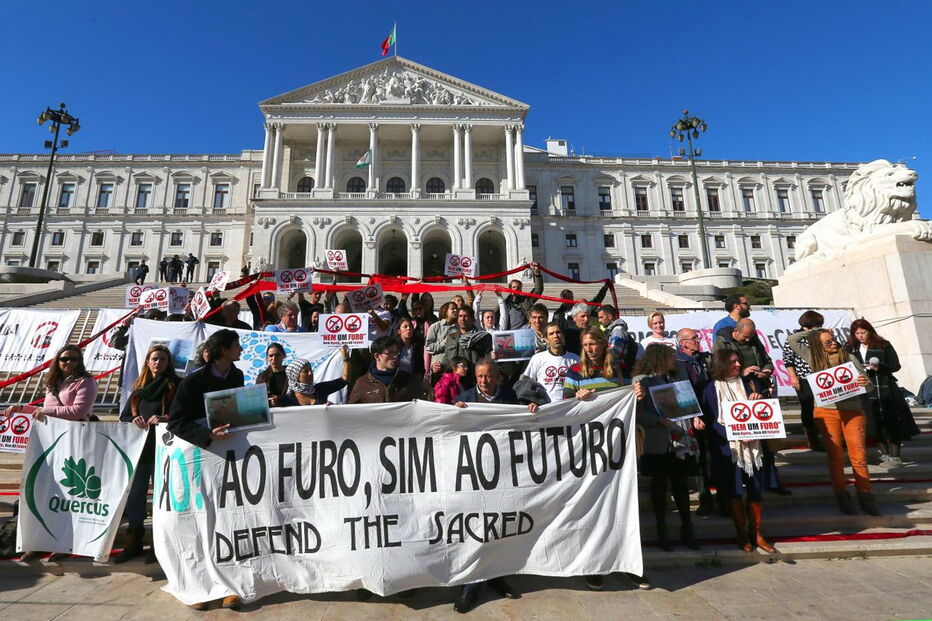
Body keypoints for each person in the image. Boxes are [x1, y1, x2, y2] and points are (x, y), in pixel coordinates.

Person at [562, 328, 650, 592]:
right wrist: (575, 399)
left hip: (618, 453)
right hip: (590, 452)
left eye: (594, 344)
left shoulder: (620, 370)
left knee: (624, 508)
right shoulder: (575, 373)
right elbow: (564, 409)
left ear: (603, 345)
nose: (590, 348)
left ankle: (629, 564)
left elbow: (631, 406)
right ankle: (595, 566)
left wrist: (638, 395)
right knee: (592, 509)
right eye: (586, 344)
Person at [166, 329, 244, 611]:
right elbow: (176, 422)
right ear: (222, 349)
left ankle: (228, 585)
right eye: (236, 346)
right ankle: (197, 585)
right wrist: (207, 436)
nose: (241, 351)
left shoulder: (236, 375)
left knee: (225, 522)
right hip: (197, 458)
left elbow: (234, 411)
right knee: (197, 524)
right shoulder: (193, 380)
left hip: (226, 458)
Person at [8, 345, 98, 563]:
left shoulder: (86, 382)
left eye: (74, 359)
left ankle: (65, 542)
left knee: (69, 495)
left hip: (74, 442)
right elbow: (43, 411)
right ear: (57, 361)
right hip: (49, 442)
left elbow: (77, 411)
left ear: (80, 361)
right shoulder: (52, 383)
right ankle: (39, 542)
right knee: (45, 493)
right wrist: (22, 408)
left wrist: (43, 411)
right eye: (65, 359)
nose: (69, 363)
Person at [450, 357, 524, 613]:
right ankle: (470, 583)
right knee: (475, 527)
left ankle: (495, 574)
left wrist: (534, 412)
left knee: (498, 526)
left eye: (489, 376)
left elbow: (520, 424)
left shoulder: (510, 396)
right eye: (480, 376)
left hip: (501, 473)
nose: (484, 381)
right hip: (473, 475)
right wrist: (455, 412)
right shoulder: (465, 396)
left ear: (498, 377)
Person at [788, 328, 879, 516]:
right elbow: (792, 340)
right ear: (817, 346)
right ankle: (842, 495)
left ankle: (865, 495)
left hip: (853, 411)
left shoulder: (850, 358)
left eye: (834, 339)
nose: (833, 343)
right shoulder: (813, 358)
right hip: (826, 412)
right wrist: (815, 331)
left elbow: (869, 386)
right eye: (827, 342)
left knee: (859, 455)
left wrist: (864, 383)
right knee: (835, 455)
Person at [700, 349, 776, 553]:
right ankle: (742, 534)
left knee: (756, 490)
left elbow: (766, 409)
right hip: (730, 449)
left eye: (738, 361)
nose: (737, 365)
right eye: (733, 362)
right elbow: (713, 421)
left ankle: (758, 534)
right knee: (734, 491)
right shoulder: (710, 389)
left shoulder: (750, 382)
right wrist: (735, 434)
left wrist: (758, 398)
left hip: (754, 448)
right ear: (722, 363)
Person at [113, 344, 180, 564]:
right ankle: (133, 542)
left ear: (168, 362)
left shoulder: (175, 386)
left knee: (162, 499)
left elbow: (183, 414)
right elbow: (123, 418)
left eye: (162, 359)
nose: (158, 363)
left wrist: (166, 419)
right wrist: (134, 419)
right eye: (154, 359)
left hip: (164, 450)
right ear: (147, 362)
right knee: (135, 498)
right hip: (140, 452)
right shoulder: (138, 391)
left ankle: (159, 545)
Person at [633, 344, 702, 553]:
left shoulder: (676, 378)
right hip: (657, 440)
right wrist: (657, 420)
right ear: (661, 358)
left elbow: (688, 403)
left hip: (679, 440)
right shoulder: (641, 380)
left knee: (681, 484)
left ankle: (687, 527)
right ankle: (662, 529)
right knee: (659, 485)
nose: (675, 360)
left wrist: (695, 416)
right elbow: (637, 412)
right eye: (671, 357)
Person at [846, 318, 919, 468]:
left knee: (892, 421)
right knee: (873, 422)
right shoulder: (851, 348)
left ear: (870, 331)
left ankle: (895, 456)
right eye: (857, 333)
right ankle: (884, 454)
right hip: (865, 390)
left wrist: (880, 367)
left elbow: (895, 365)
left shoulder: (883, 344)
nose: (860, 336)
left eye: (863, 332)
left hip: (885, 387)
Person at [673, 327, 716, 516]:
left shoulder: (702, 359)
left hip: (709, 414)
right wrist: (693, 416)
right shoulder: (678, 362)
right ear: (683, 343)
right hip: (690, 418)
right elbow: (681, 390)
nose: (698, 340)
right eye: (693, 338)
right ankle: (703, 496)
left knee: (708, 456)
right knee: (697, 460)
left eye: (697, 337)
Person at [783, 310, 827, 452]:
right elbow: (788, 359)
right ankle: (813, 440)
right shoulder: (795, 338)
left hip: (822, 377)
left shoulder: (821, 335)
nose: (819, 327)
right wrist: (793, 377)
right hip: (803, 378)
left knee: (824, 408)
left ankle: (827, 437)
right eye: (816, 325)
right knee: (808, 408)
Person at [348, 336, 432, 404]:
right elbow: (352, 412)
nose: (395, 356)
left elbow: (422, 406)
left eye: (396, 353)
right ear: (377, 356)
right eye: (390, 353)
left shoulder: (409, 380)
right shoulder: (362, 383)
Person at [521, 322, 579, 403]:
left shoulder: (575, 359)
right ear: (546, 339)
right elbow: (526, 383)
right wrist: (532, 402)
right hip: (545, 407)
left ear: (563, 336)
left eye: (558, 332)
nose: (556, 336)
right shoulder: (537, 358)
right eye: (551, 334)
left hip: (569, 406)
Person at [279, 347, 351, 407]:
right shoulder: (288, 399)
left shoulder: (320, 389)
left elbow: (344, 379)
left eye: (310, 370)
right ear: (295, 376)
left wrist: (346, 358)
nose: (310, 373)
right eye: (305, 371)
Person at [495, 262, 543, 330]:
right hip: (509, 334)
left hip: (523, 333)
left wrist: (537, 274)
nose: (516, 289)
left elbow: (538, 290)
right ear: (510, 289)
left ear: (521, 289)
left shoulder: (526, 300)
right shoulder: (504, 304)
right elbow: (495, 317)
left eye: (518, 288)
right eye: (514, 287)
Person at [597, 304, 636, 381]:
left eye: (601, 317)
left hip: (621, 372)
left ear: (610, 316)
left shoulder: (617, 330)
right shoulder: (613, 330)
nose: (599, 321)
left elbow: (615, 353)